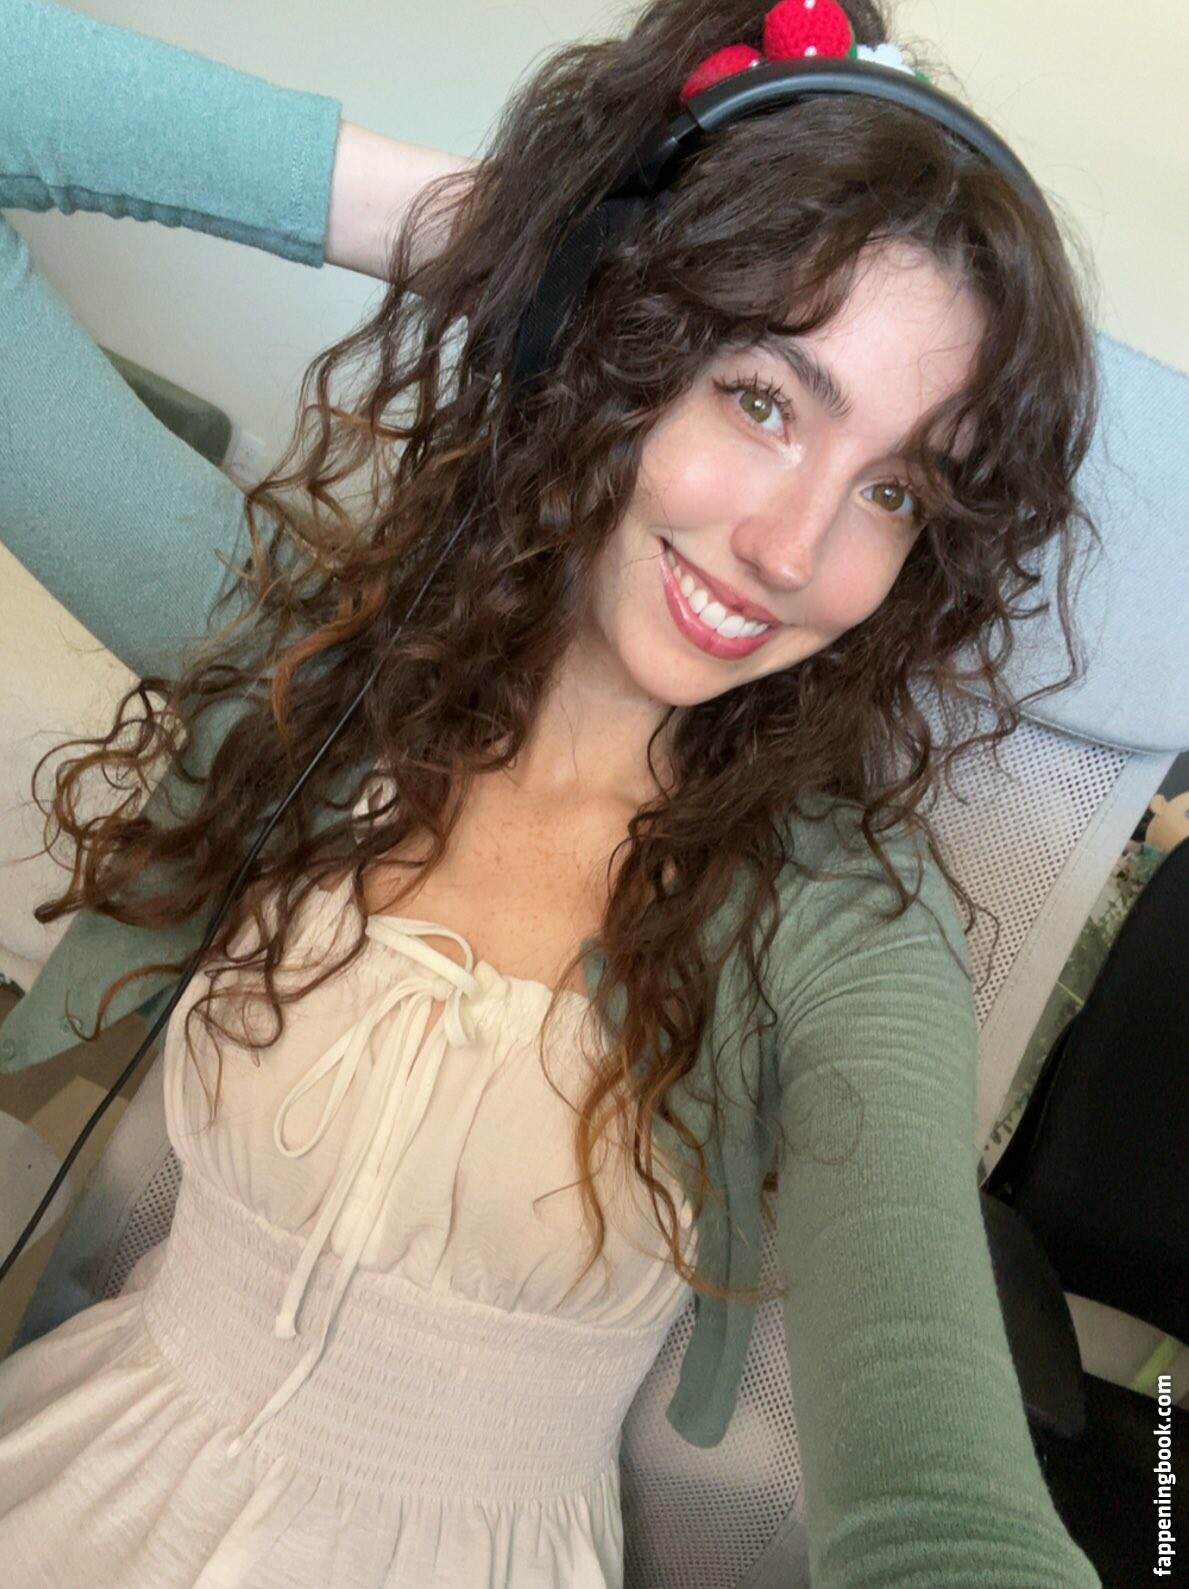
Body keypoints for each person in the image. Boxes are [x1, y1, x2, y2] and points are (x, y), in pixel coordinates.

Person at [0, 0, 1104, 1583]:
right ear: (615, 339)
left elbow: (940, 1511)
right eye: (761, 396)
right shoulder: (300, 664)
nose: (790, 551)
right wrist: (522, 246)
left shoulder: (846, 926)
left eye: (890, 489)